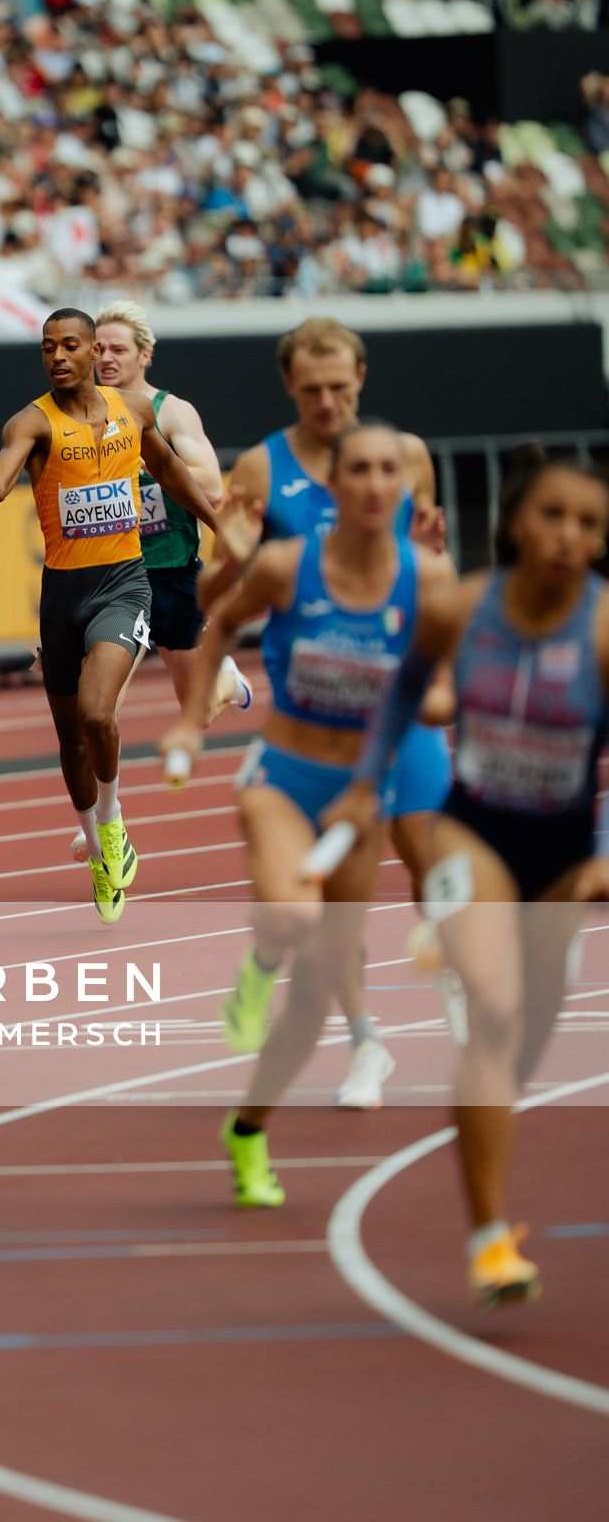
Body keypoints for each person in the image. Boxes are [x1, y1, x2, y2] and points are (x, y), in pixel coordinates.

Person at [324, 450, 609, 1307]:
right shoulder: (458, 609)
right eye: (554, 516)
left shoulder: (602, 631)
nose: (569, 536)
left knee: (518, 1045)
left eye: (590, 524)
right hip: (473, 827)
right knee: (491, 1012)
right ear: (519, 522)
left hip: (562, 849)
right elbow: (402, 696)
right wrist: (367, 786)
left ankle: (457, 932)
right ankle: (490, 1242)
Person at [168, 422, 455, 1208]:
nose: (368, 483)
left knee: (319, 985)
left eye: (384, 471)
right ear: (336, 487)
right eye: (354, 470)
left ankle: (249, 1129)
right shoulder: (293, 564)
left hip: (362, 791)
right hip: (283, 778)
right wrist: (193, 722)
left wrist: (429, 696)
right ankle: (261, 963)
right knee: (292, 920)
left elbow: (441, 689)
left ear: (402, 486)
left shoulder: (427, 578)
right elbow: (215, 618)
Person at [199, 316, 451, 1109]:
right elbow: (211, 601)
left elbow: (430, 570)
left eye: (340, 387)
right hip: (317, 717)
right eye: (310, 389)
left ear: (362, 379)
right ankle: (367, 1042)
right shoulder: (263, 469)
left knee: (429, 862)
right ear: (289, 387)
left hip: (400, 705)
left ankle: (466, 1007)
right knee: (336, 901)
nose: (326, 401)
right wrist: (233, 552)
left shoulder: (404, 456)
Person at [0, 308, 217, 924]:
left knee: (98, 713)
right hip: (62, 595)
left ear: (96, 351)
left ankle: (113, 825)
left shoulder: (135, 412)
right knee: (69, 739)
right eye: (47, 348)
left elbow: (169, 469)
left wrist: (223, 525)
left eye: (70, 346)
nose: (58, 357)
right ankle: (96, 848)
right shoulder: (30, 423)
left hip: (123, 584)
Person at [95, 301, 251, 734]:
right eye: (99, 349)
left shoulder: (171, 411)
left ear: (144, 354)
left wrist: (152, 464)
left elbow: (213, 486)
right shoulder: (85, 416)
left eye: (118, 349)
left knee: (197, 713)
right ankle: (106, 804)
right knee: (101, 707)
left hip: (173, 571)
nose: (106, 358)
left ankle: (228, 680)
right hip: (117, 573)